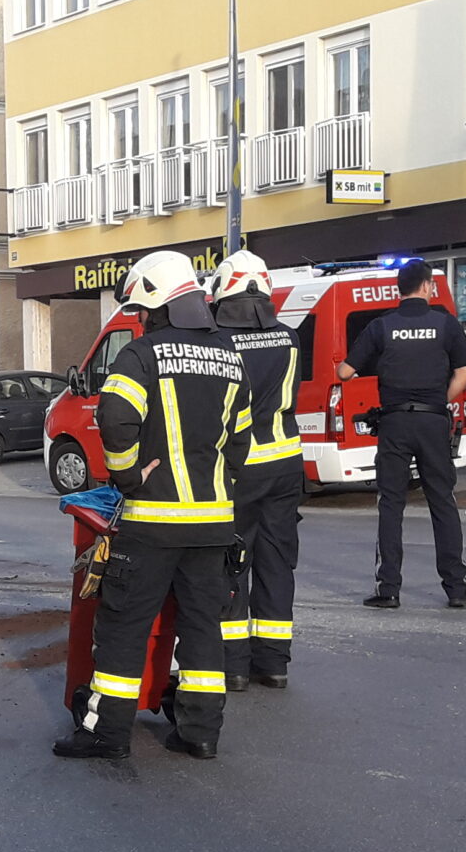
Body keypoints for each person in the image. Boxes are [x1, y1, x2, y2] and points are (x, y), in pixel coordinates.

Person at [55, 250, 252, 763]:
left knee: (124, 627)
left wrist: (125, 474)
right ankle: (201, 732)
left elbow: (116, 414)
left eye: (140, 310)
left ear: (154, 301)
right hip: (213, 524)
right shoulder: (230, 356)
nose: (138, 319)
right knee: (202, 626)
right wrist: (217, 481)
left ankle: (107, 734)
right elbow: (241, 439)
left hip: (152, 524)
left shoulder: (141, 356)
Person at [337, 257, 466, 610]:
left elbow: (345, 372)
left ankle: (389, 588)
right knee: (442, 501)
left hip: (395, 423)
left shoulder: (382, 326)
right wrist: (436, 402)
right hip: (432, 422)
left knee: (391, 504)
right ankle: (456, 589)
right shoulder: (445, 325)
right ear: (427, 287)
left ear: (399, 289)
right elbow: (465, 374)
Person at [210, 250, 302, 691]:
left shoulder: (219, 343)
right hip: (285, 465)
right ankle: (274, 663)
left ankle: (235, 667)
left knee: (232, 562)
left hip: (239, 468)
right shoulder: (289, 337)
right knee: (278, 563)